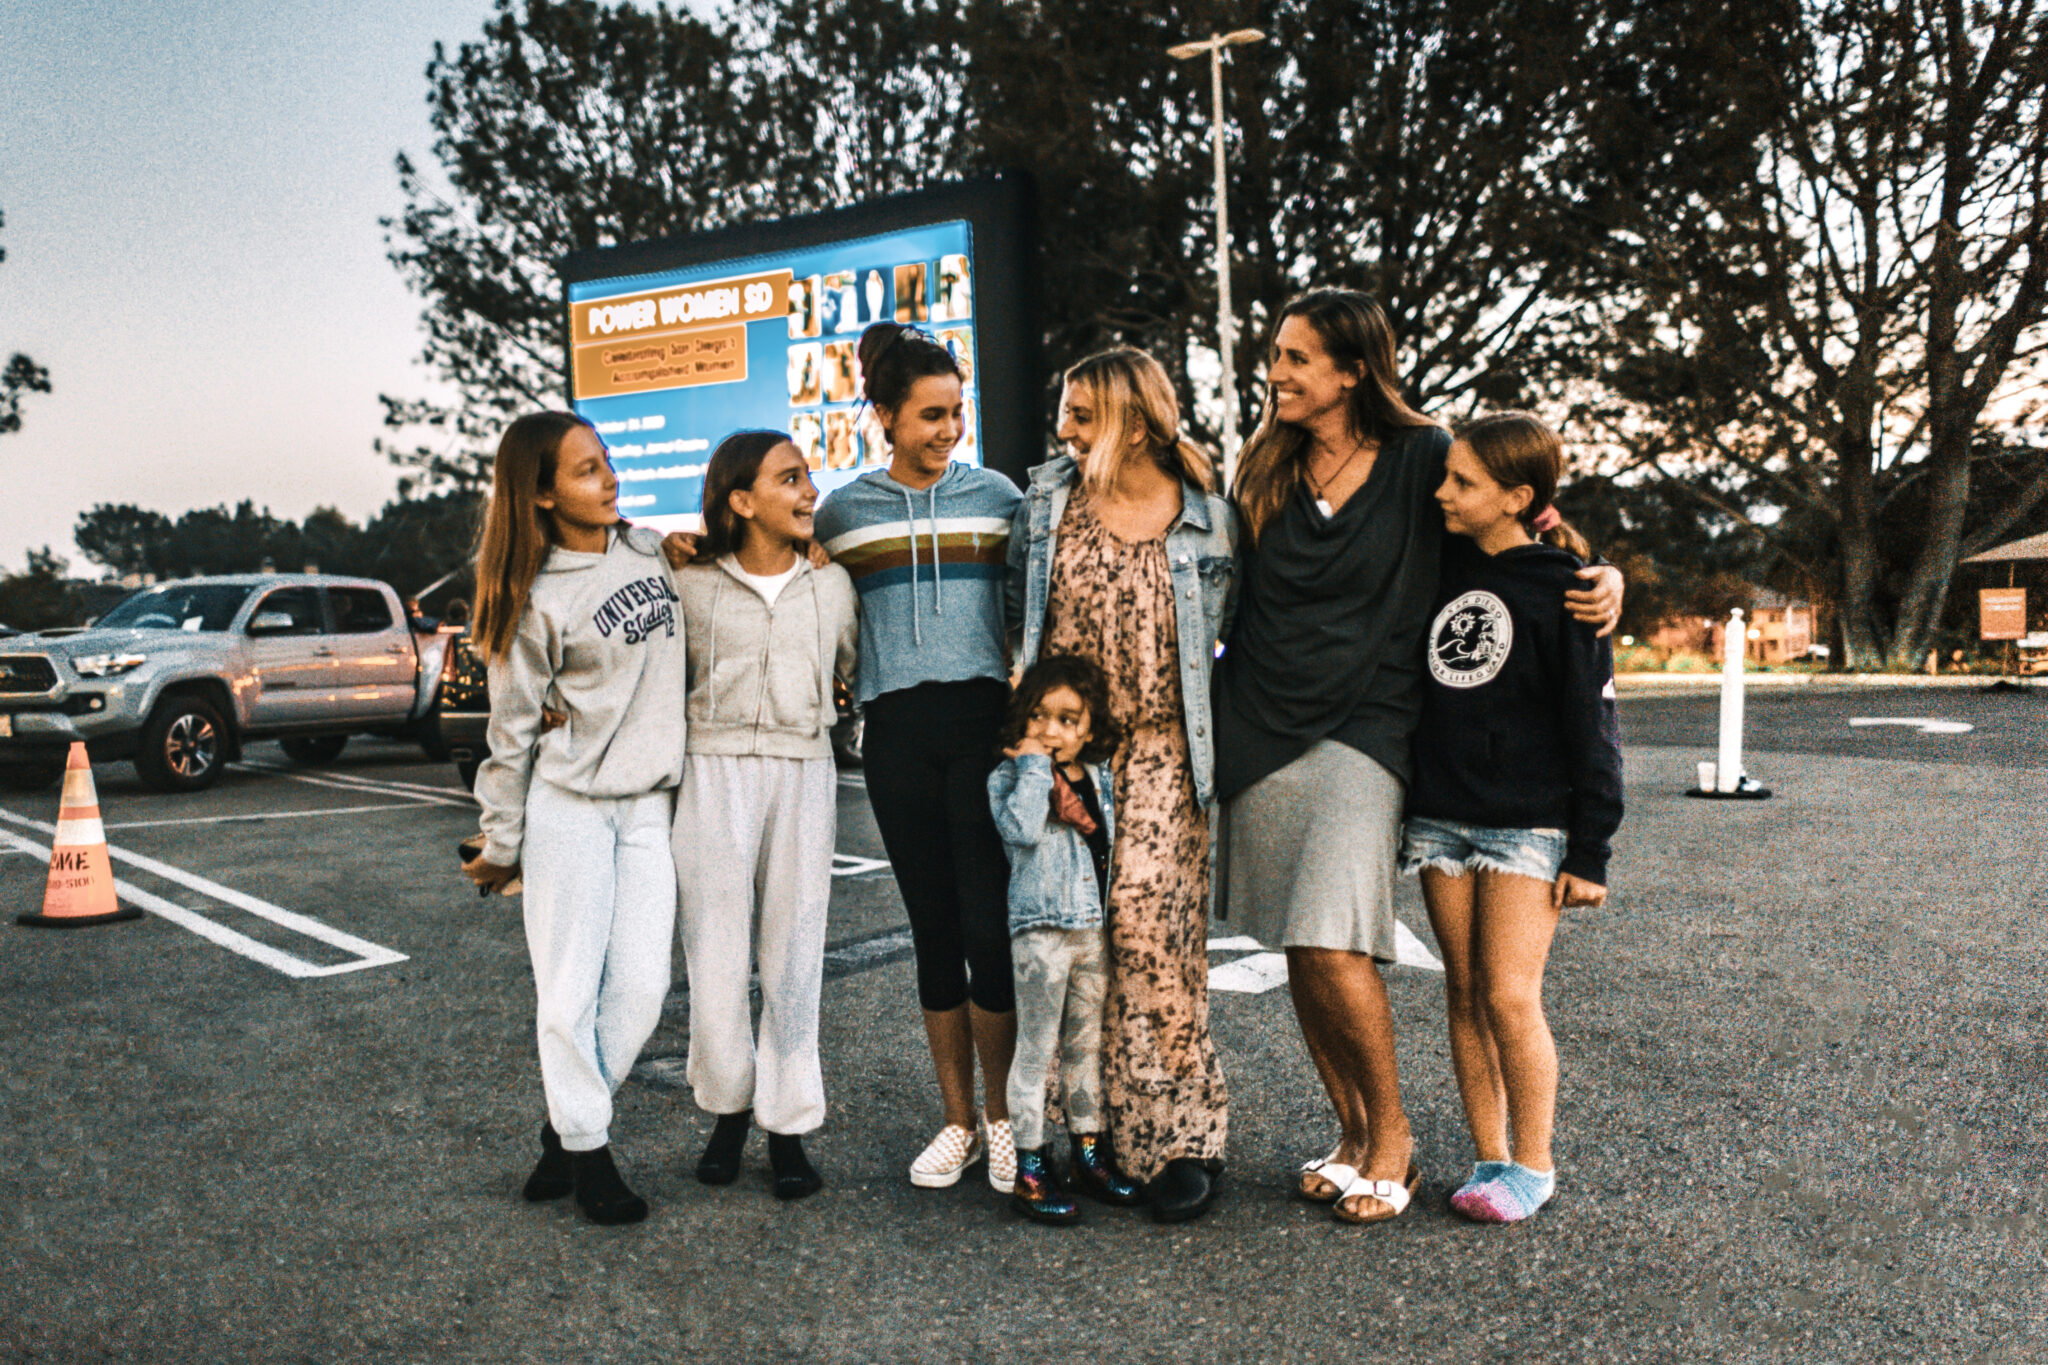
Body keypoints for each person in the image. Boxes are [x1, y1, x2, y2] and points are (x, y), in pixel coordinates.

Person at [1211, 289, 1623, 1226]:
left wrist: (1602, 579)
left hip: (1370, 725)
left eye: (1298, 358)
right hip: (1262, 722)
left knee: (1332, 933)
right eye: (1276, 354)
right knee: (1298, 943)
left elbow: (1518, 519)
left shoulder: (1421, 457)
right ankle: (1351, 1131)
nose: (1276, 371)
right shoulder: (1264, 463)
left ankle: (1393, 1134)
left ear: (1355, 370)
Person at [1006, 347, 1236, 1223]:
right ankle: (1084, 1137)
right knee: (1072, 942)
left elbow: (1239, 627)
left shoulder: (1208, 518)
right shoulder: (1046, 505)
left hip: (1168, 756)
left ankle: (1179, 1138)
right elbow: (1011, 622)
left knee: (1151, 935)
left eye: (1081, 413)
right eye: (1064, 411)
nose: (1062, 428)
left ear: (1136, 423)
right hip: (1069, 755)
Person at [810, 323, 1027, 1193]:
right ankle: (958, 1122)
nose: (948, 431)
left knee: (988, 928)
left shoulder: (1000, 497)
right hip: (895, 736)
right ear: (885, 417)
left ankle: (1009, 1120)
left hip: (983, 725)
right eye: (930, 415)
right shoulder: (842, 512)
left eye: (957, 413)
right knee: (933, 930)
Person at [462, 411, 686, 1226]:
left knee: (643, 985)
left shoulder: (650, 549)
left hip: (647, 805)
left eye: (608, 461)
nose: (610, 477)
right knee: (567, 992)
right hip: (569, 809)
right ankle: (590, 1154)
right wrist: (501, 841)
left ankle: (564, 1131)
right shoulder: (533, 598)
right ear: (544, 493)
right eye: (588, 469)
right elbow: (511, 733)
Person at [1405, 412, 1623, 1224]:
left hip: (1526, 825)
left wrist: (1592, 848)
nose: (1444, 492)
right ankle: (1489, 1155)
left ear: (1517, 496)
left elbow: (1593, 725)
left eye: (1463, 482)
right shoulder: (1443, 565)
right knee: (1462, 992)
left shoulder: (1566, 587)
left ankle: (1534, 1163)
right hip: (1439, 819)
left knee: (1509, 994)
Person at [672, 430, 859, 1202]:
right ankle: (726, 1109)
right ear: (740, 500)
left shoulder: (833, 585)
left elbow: (851, 669)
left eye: (808, 476)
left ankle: (787, 1127)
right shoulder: (689, 584)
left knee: (793, 951)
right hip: (709, 769)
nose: (809, 489)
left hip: (803, 768)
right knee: (714, 954)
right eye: (790, 478)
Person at [986, 653, 1143, 1224]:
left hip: (1088, 933)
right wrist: (1032, 768)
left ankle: (1089, 1155)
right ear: (1021, 719)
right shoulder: (1008, 778)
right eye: (1039, 717)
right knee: (1034, 1052)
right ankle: (1029, 1167)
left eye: (1068, 720)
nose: (1052, 731)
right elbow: (1022, 831)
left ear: (1089, 729)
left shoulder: (1097, 777)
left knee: (1084, 1050)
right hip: (1039, 936)